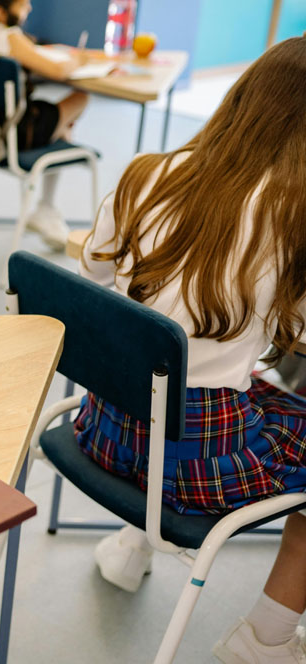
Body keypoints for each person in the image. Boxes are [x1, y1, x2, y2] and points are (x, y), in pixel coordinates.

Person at [76, 37, 306, 664]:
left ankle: (130, 547)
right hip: (194, 463)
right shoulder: (294, 219)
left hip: (104, 426)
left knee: (177, 372)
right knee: (239, 386)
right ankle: (266, 637)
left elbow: (95, 282)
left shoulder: (146, 173)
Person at [0, 0, 89, 250]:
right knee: (81, 98)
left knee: (56, 120)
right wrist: (79, 60)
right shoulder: (9, 37)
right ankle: (46, 206)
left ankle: (46, 208)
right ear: (1, 12)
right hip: (17, 136)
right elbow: (58, 70)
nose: (28, 8)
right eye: (22, 4)